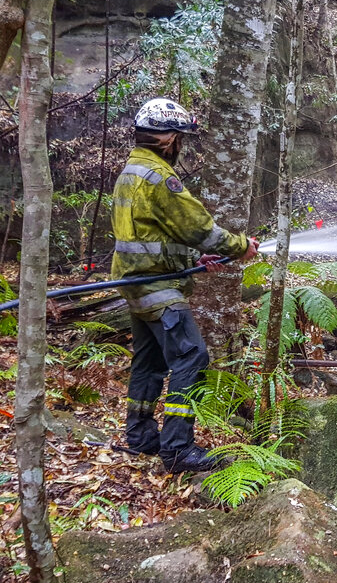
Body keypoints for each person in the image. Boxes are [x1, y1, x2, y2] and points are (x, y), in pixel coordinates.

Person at [110, 97, 258, 473]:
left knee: (150, 360)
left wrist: (192, 262)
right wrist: (240, 247)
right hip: (155, 287)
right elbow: (198, 227)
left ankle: (141, 437)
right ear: (168, 138)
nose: (181, 145)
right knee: (192, 357)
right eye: (180, 138)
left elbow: (149, 233)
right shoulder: (161, 177)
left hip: (136, 280)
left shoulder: (132, 170)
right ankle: (177, 448)